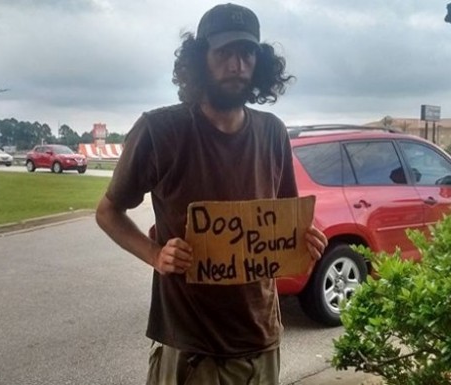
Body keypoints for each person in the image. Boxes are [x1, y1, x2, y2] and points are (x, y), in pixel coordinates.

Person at [95, 3, 328, 384]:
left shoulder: (272, 132)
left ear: (259, 62)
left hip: (260, 343)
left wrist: (306, 242)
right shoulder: (160, 131)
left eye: (246, 53)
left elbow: (286, 224)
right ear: (200, 59)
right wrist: (156, 254)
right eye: (223, 53)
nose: (236, 65)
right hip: (189, 349)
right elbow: (108, 212)